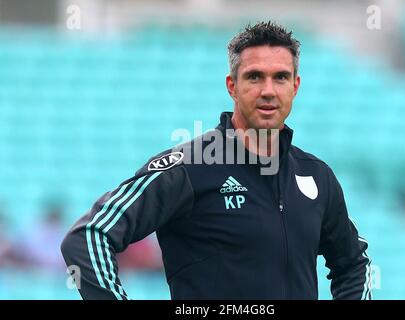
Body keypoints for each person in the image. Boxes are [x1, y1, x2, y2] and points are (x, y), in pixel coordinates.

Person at [61, 21, 372, 300]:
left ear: (295, 86)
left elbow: (354, 264)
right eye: (254, 77)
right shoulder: (188, 167)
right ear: (232, 86)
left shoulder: (316, 176)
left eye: (280, 77)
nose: (268, 90)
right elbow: (87, 237)